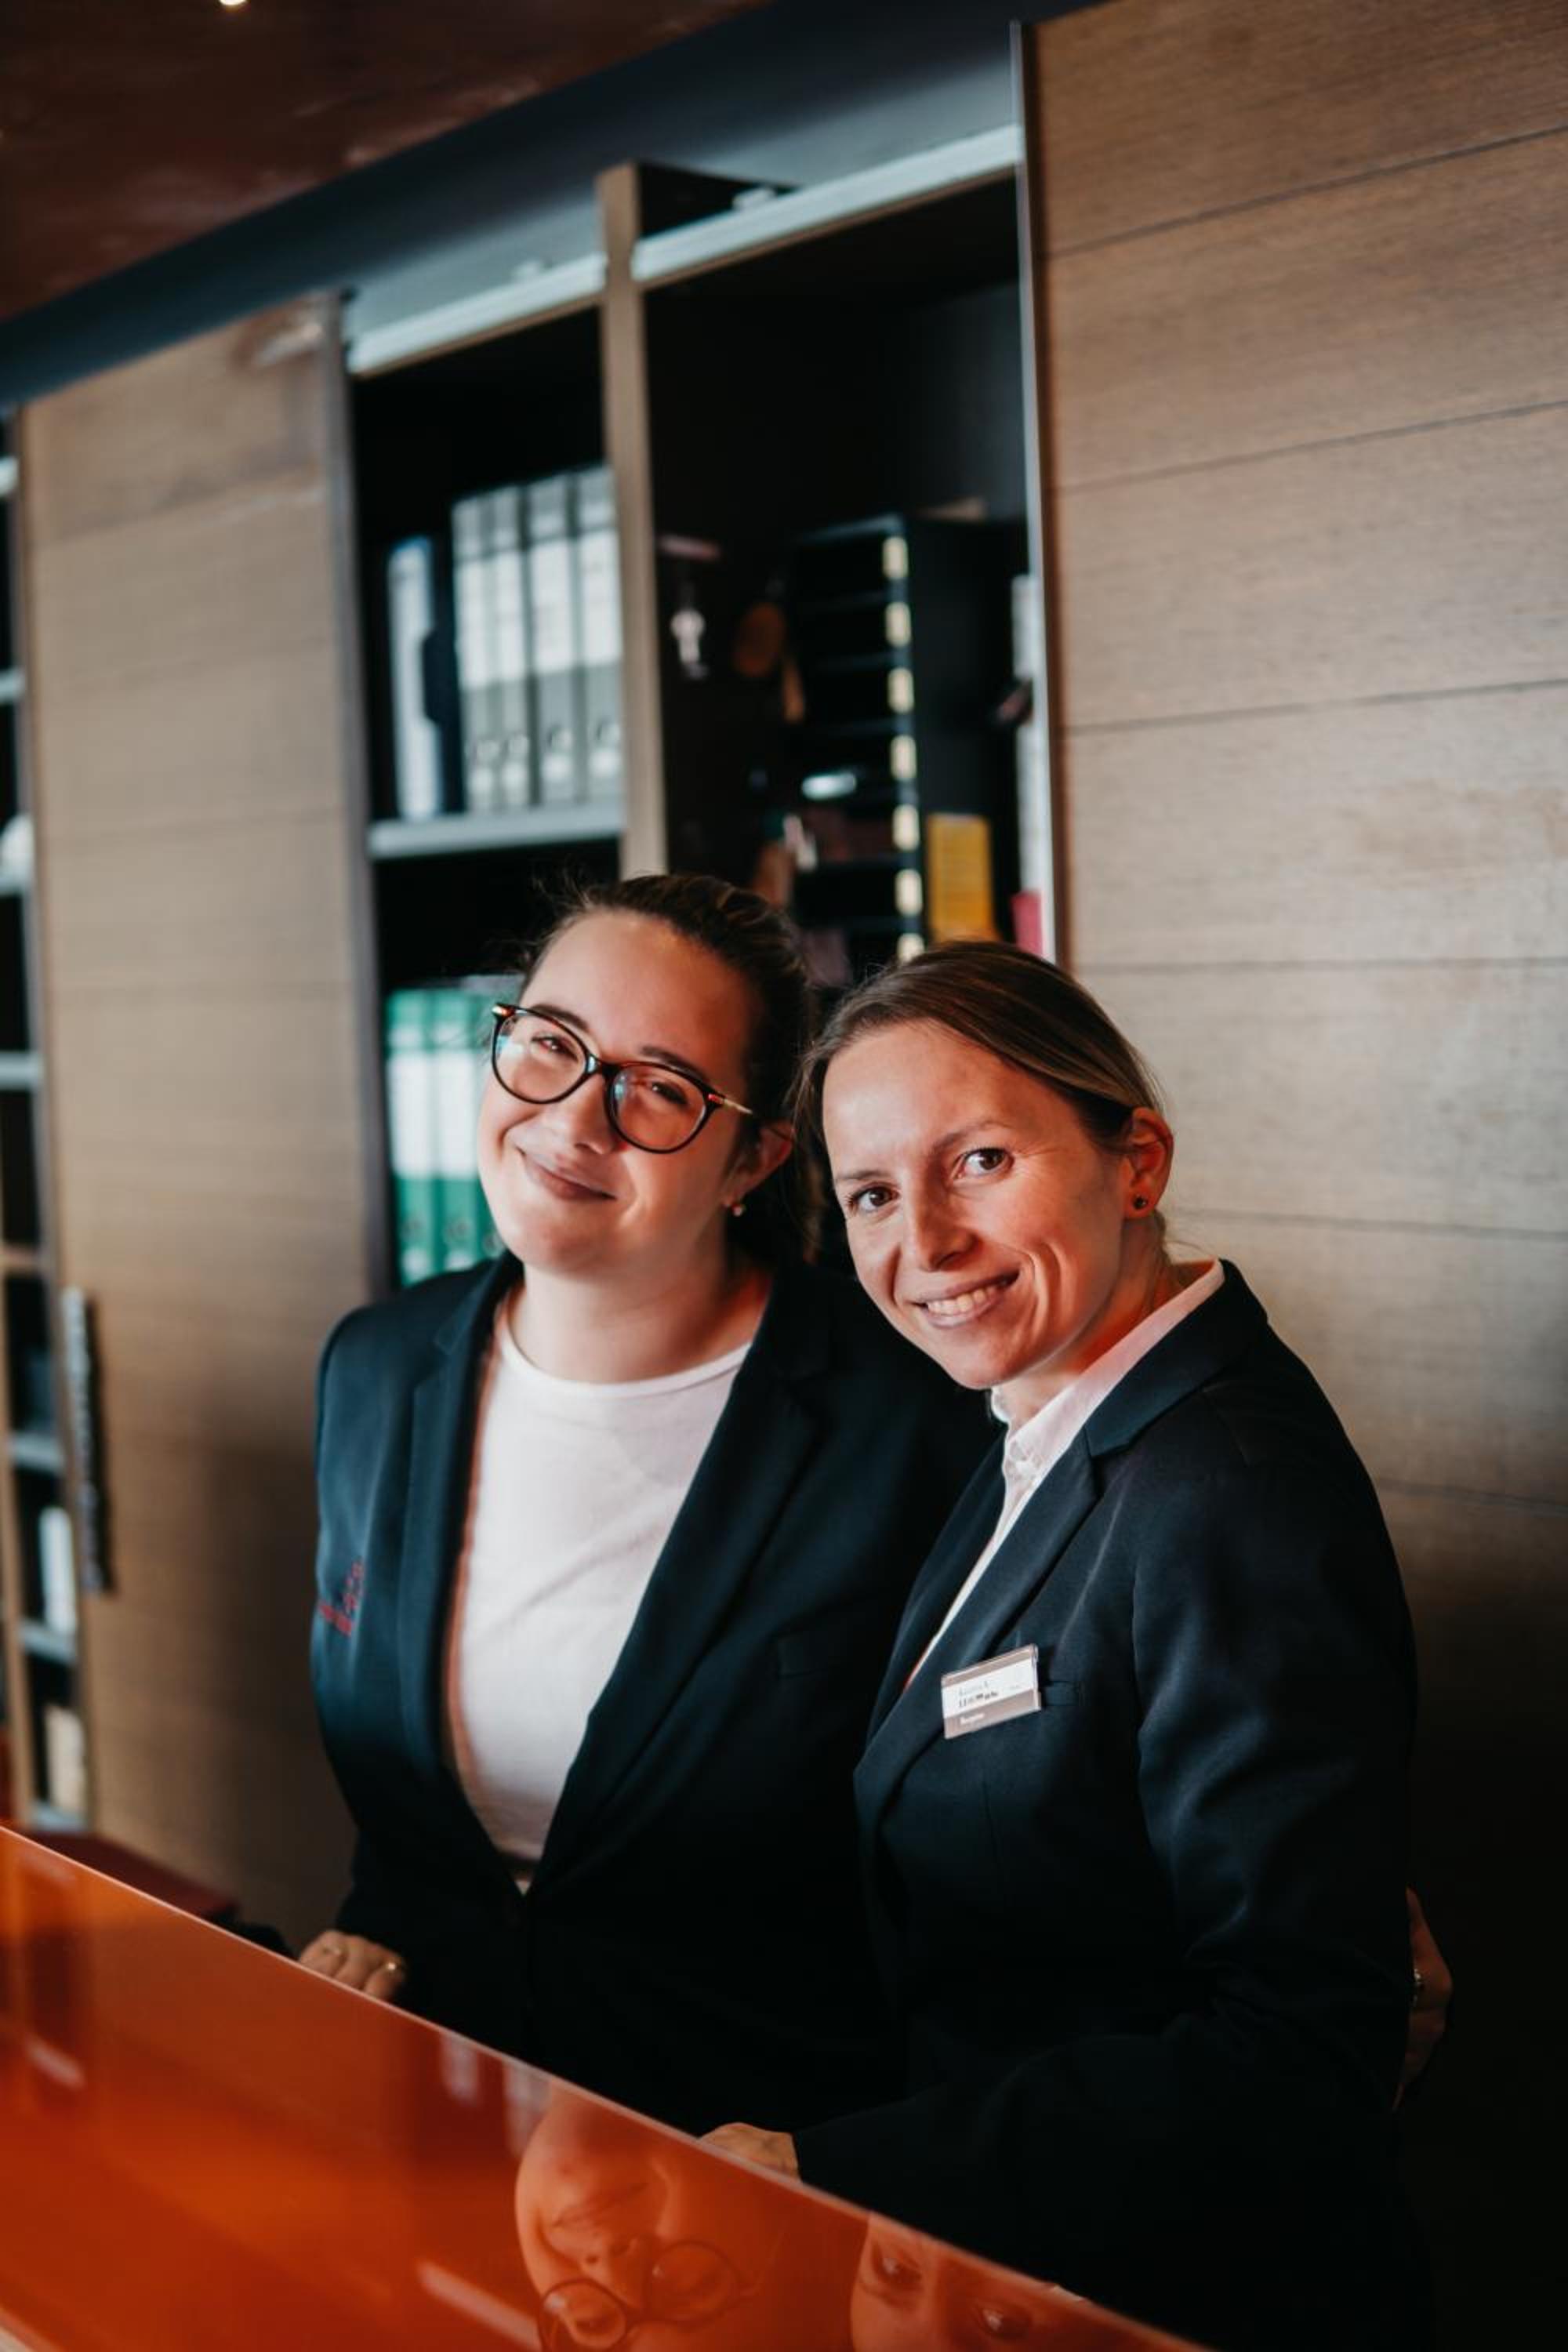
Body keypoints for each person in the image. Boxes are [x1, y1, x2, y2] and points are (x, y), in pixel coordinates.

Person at [710, 941, 1426, 2352]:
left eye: (979, 1161)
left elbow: (1301, 2046)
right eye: (871, 1193)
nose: (924, 1242)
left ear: (1137, 1160)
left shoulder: (1225, 1488)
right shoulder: (1047, 1419)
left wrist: (838, 2167)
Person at [303, 874, 992, 2134]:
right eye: (550, 1043)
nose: (575, 1117)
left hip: (746, 2159)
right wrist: (379, 1929)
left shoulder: (912, 1419)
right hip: (441, 2120)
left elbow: (988, 1859)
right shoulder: (376, 1369)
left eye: (661, 1088)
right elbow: (410, 1820)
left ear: (756, 1159)